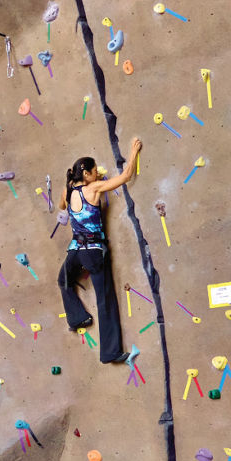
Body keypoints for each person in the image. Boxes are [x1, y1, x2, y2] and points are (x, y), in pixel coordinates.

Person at [56, 137, 142, 366]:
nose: (96, 175)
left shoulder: (68, 190)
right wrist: (133, 152)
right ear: (86, 174)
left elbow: (61, 206)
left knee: (64, 280)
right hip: (94, 251)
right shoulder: (92, 188)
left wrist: (71, 188)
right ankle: (110, 352)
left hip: (77, 250)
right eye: (94, 172)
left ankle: (78, 318)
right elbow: (125, 178)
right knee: (106, 299)